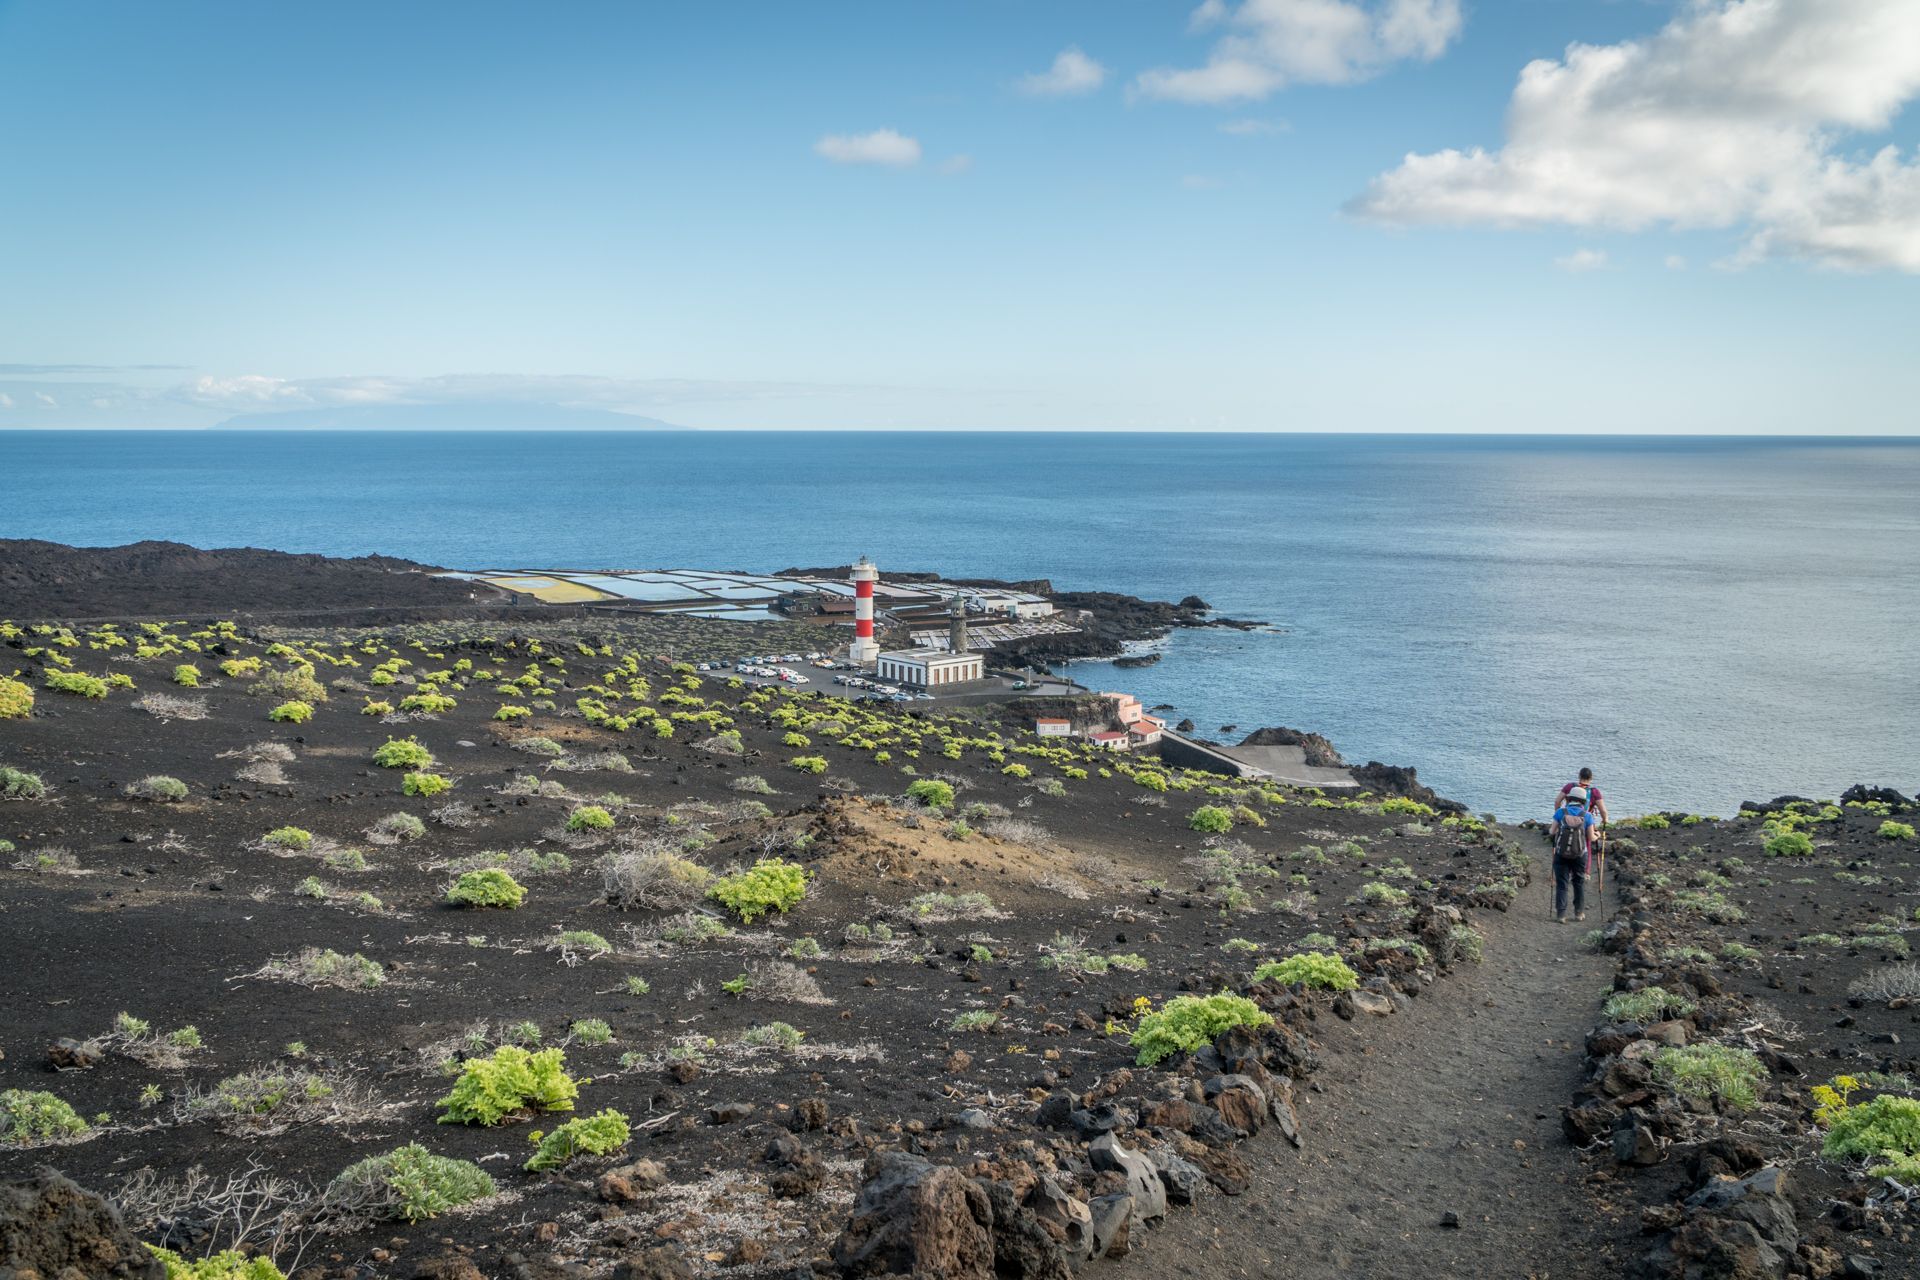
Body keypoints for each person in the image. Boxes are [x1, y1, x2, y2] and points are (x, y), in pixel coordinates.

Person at [1551, 786, 1598, 923]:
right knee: (1578, 883)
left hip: (1561, 853)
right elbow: (1591, 837)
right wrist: (1597, 835)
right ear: (1583, 802)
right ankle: (1578, 913)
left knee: (1562, 884)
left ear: (1569, 799)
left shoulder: (1561, 812)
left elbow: (1552, 831)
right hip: (1580, 854)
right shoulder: (1587, 816)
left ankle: (1561, 915)